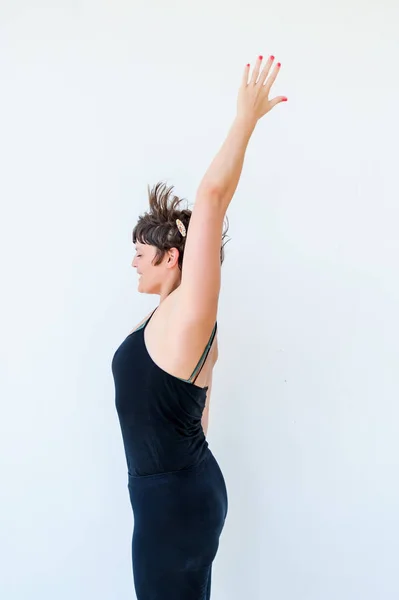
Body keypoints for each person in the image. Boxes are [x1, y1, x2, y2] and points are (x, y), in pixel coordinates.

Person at [111, 54, 287, 600]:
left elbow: (211, 196)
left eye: (142, 253)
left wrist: (245, 118)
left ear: (172, 258)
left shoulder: (192, 308)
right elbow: (198, 406)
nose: (134, 262)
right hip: (174, 493)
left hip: (172, 500)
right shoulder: (166, 318)